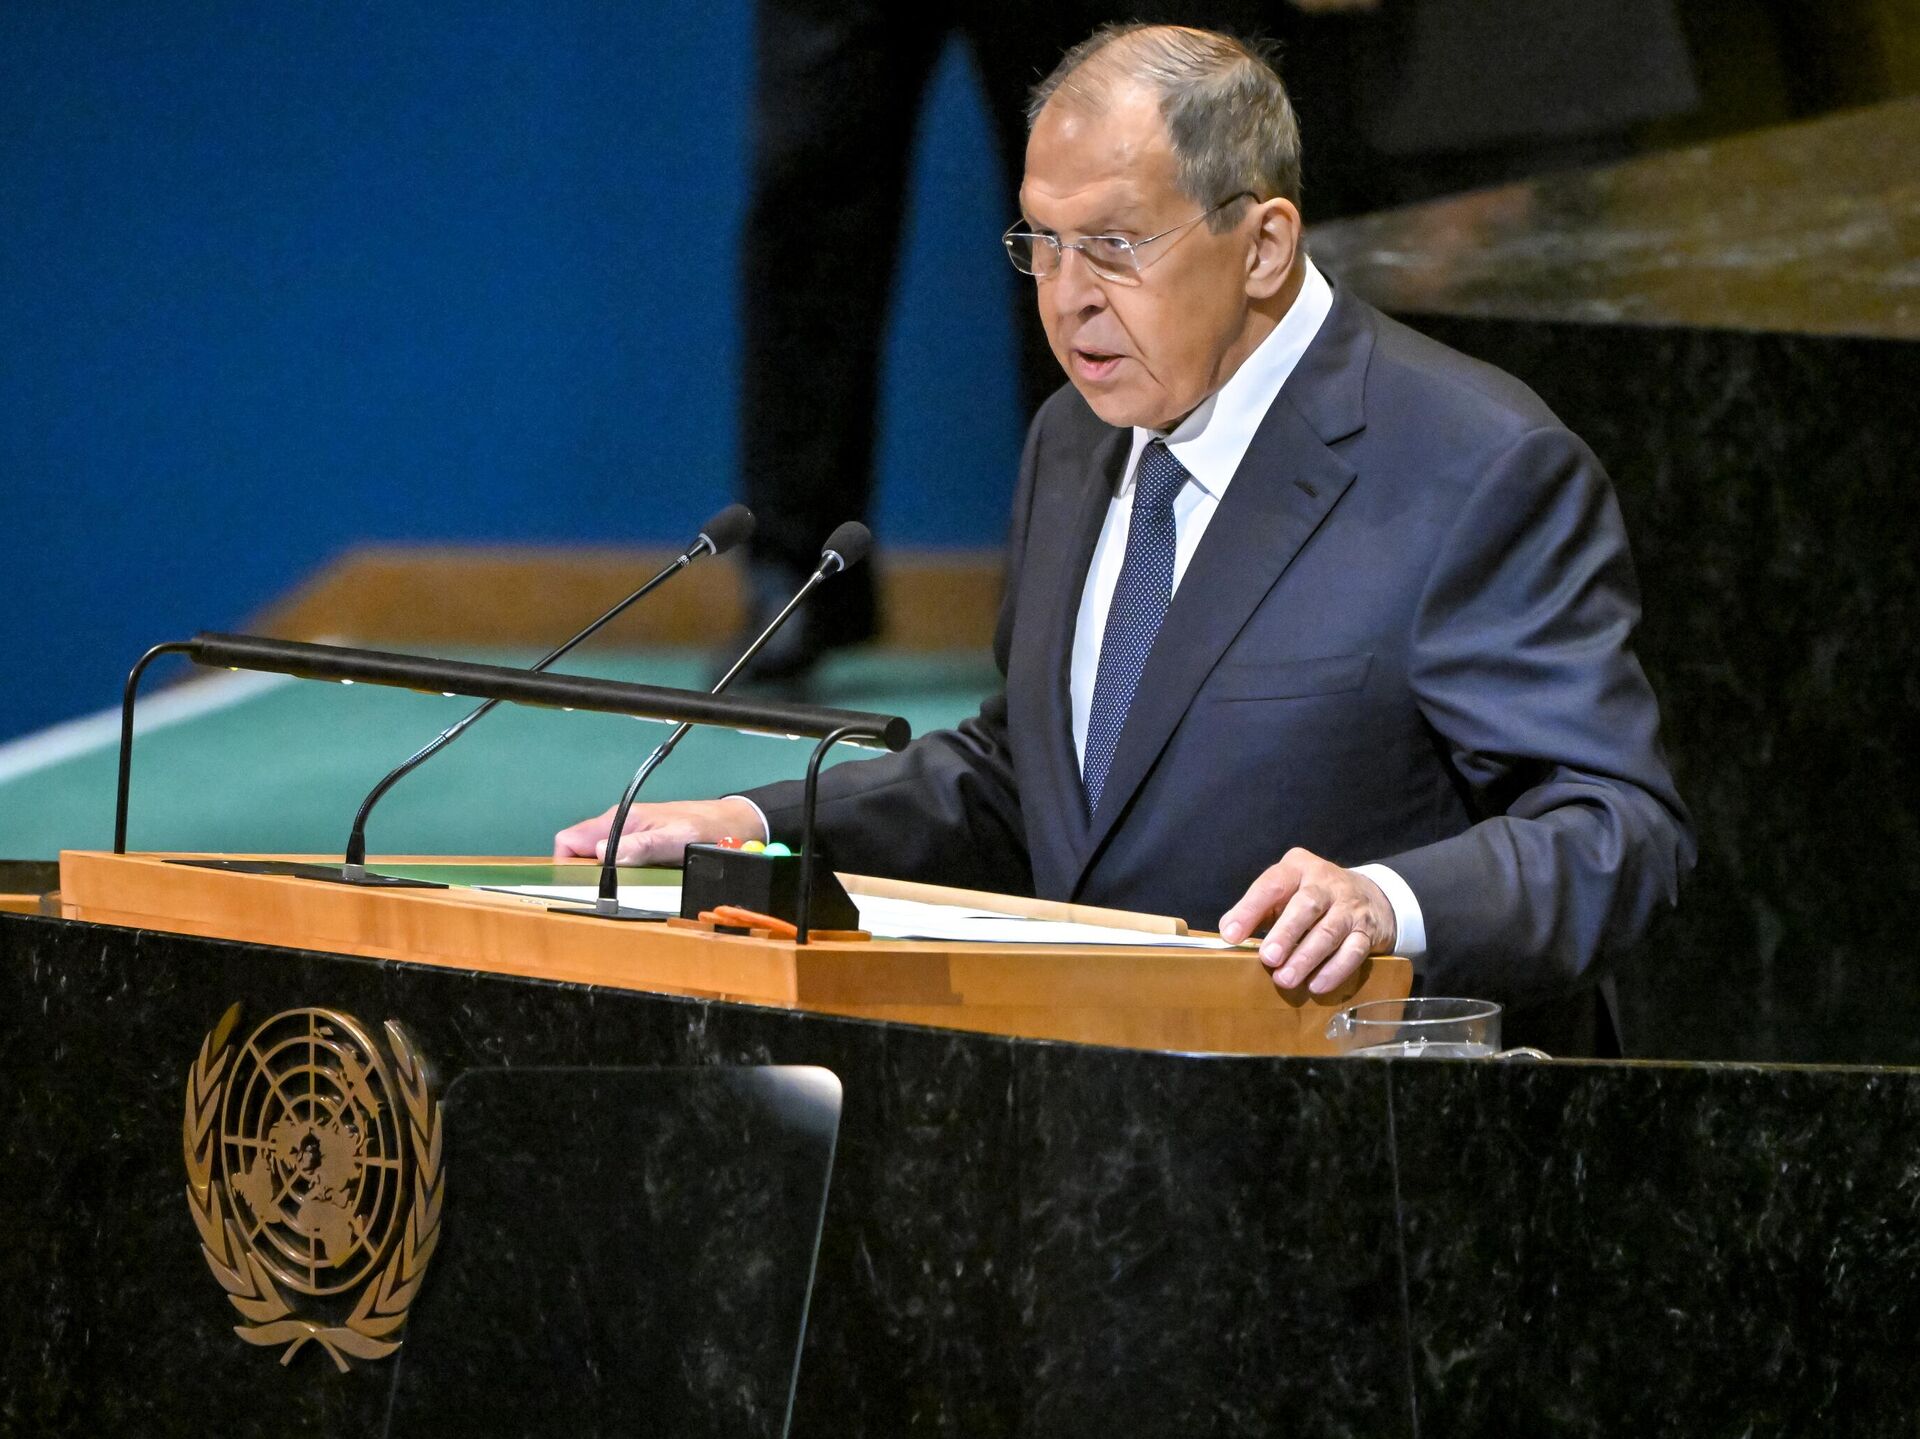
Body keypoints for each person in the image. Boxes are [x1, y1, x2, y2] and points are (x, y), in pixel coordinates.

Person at [562, 24, 1695, 1053]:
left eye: (1112, 244)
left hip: (1369, 1126)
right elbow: (1036, 778)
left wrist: (1385, 903)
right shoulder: (1075, 435)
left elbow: (1615, 830)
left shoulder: (1474, 463)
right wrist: (761, 823)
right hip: (1105, 1113)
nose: (1067, 299)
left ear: (1263, 245)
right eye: (1042, 244)